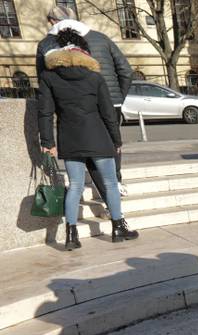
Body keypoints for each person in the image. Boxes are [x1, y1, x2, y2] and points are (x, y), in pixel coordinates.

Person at [38, 29, 138, 250]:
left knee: (74, 186)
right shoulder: (94, 76)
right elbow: (108, 113)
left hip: (69, 138)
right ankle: (118, 228)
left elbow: (44, 113)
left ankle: (71, 235)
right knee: (111, 184)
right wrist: (116, 140)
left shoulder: (48, 77)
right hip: (99, 136)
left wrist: (48, 143)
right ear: (83, 51)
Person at [37, 6, 133, 197]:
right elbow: (126, 71)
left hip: (73, 104)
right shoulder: (101, 38)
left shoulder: (47, 43)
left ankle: (109, 195)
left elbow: (43, 82)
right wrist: (118, 98)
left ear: (53, 22)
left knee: (89, 152)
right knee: (111, 142)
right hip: (111, 99)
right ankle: (116, 182)